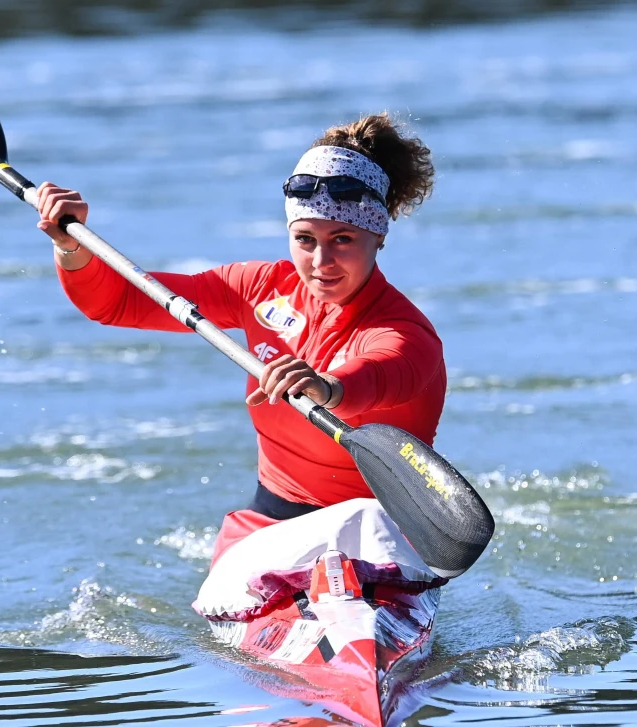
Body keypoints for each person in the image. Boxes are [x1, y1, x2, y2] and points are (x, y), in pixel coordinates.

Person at [35, 112, 444, 564]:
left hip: (377, 531)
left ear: (378, 235)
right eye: (305, 239)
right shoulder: (259, 288)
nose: (320, 261)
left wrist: (328, 388)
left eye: (342, 239)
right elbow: (117, 302)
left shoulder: (407, 333)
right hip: (270, 523)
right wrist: (70, 246)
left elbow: (382, 374)